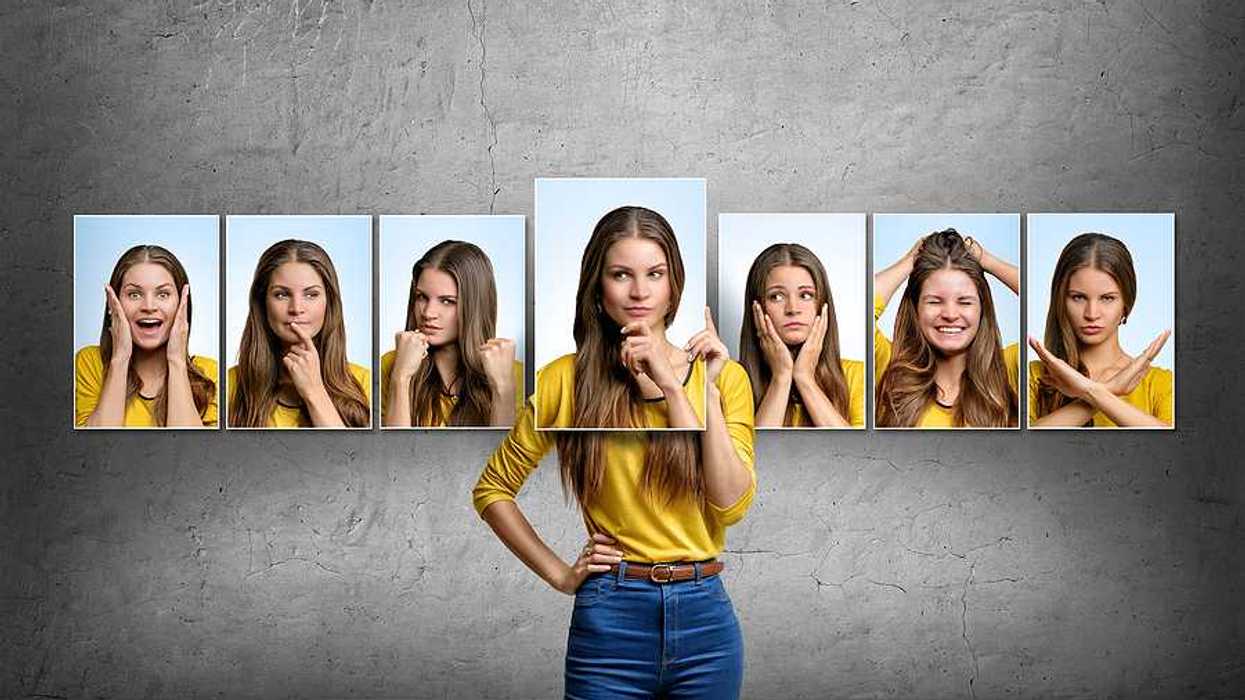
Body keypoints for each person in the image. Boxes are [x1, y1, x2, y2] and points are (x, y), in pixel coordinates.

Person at [472, 205, 756, 698]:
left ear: (674, 284)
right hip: (611, 619)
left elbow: (730, 505)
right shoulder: (564, 380)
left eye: (655, 274)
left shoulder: (724, 377)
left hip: (705, 619)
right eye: (622, 274)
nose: (640, 292)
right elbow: (493, 490)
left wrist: (681, 388)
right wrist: (562, 575)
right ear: (598, 289)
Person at [874, 228, 1019, 428]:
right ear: (916, 308)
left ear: (982, 308)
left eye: (965, 302)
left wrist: (987, 261)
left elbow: (1048, 300)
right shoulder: (889, 366)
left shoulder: (1008, 369)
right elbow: (861, 304)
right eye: (934, 302)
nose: (950, 314)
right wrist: (909, 263)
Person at [1028, 232, 1172, 427]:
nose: (1092, 313)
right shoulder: (1034, 377)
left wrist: (1093, 392)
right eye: (1078, 297)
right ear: (1060, 300)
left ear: (1126, 304)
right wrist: (1107, 390)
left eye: (1107, 298)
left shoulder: (1161, 384)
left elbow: (1174, 448)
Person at [227, 239, 371, 428]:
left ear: (329, 303)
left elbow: (351, 458)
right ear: (262, 303)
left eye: (311, 294)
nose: (296, 308)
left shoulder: (365, 383)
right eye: (281, 294)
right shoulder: (230, 384)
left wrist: (314, 392)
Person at [381, 240, 521, 427]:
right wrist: (401, 378)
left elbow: (505, 455)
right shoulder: (391, 365)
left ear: (475, 306)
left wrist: (502, 389)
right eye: (422, 297)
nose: (428, 313)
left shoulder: (519, 375)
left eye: (447, 301)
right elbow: (390, 453)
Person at [75, 244, 217, 427]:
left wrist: (176, 361)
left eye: (163, 294)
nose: (149, 306)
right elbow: (93, 450)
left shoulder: (211, 374)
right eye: (134, 294)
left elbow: (190, 452)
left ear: (182, 304)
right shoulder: (88, 363)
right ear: (113, 304)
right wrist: (120, 359)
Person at [738, 242, 864, 427]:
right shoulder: (733, 377)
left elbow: (859, 454)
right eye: (776, 296)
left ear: (822, 305)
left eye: (805, 295)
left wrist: (805, 378)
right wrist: (781, 377)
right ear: (757, 308)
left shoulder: (858, 375)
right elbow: (749, 455)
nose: (793, 309)